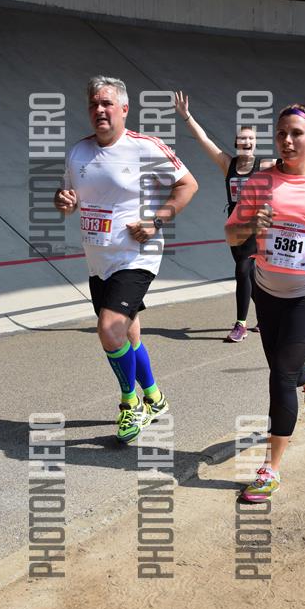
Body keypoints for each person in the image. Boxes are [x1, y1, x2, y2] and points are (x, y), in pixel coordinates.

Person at [55, 76, 198, 443]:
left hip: (136, 256)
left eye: (106, 103)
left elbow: (188, 184)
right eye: (93, 104)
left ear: (123, 108)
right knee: (128, 331)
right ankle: (155, 397)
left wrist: (156, 221)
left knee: (109, 329)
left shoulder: (145, 147)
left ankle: (129, 403)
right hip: (98, 259)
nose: (99, 110)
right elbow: (69, 199)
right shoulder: (78, 152)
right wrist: (64, 201)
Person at [225, 103, 305, 501]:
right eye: (281, 133)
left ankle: (270, 468)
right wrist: (251, 225)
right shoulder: (259, 182)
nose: (287, 140)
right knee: (287, 369)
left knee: (280, 373)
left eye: (297, 133)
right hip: (267, 291)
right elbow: (232, 234)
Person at [175, 91, 305, 343]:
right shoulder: (228, 164)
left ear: (255, 144)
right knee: (249, 274)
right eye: (242, 139)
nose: (246, 143)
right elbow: (203, 139)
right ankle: (265, 317)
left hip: (259, 227)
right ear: (236, 143)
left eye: (251, 140)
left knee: (243, 270)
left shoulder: (264, 166)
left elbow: (300, 157)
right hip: (237, 228)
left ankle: (240, 324)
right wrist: (187, 116)